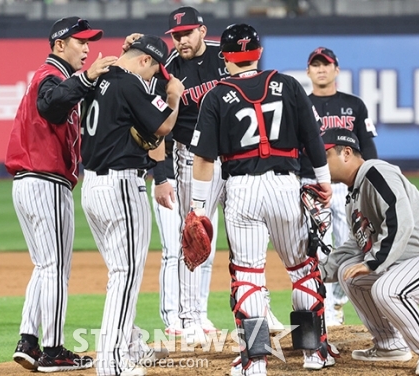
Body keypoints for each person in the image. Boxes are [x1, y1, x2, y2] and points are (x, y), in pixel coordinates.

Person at [124, 5, 284, 340]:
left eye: (187, 33)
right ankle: (191, 318)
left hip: (237, 157)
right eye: (176, 35)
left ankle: (258, 307)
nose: (181, 40)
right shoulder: (166, 71)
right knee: (195, 238)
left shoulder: (226, 56)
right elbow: (156, 129)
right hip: (192, 159)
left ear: (201, 30)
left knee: (248, 236)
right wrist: (162, 173)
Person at [190, 23, 339, 374]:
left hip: (242, 190)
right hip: (286, 186)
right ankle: (313, 353)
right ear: (258, 52)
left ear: (224, 56)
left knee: (248, 275)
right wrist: (324, 182)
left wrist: (198, 209)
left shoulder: (215, 95)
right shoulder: (287, 85)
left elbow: (203, 160)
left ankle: (254, 360)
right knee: (303, 269)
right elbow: (313, 140)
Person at [5, 17, 117, 373]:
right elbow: (52, 104)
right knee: (55, 269)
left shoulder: (54, 77)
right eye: (80, 42)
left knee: (44, 266)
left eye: (88, 42)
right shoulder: (50, 76)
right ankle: (54, 350)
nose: (86, 49)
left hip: (30, 182)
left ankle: (29, 340)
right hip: (45, 181)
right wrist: (87, 79)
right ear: (58, 45)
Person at [318, 128, 419, 376]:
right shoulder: (353, 195)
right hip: (408, 262)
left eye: (325, 157)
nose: (319, 164)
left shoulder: (377, 172)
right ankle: (390, 345)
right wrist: (319, 272)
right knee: (349, 274)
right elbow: (357, 244)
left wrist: (374, 262)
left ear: (346, 153)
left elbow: (400, 219)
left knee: (387, 289)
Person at [80, 35, 184, 376]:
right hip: (120, 185)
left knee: (118, 272)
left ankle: (130, 342)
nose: (152, 75)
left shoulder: (98, 78)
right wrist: (173, 97)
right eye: (153, 68)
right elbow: (164, 124)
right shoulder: (130, 84)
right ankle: (111, 362)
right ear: (143, 62)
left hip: (92, 185)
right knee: (126, 275)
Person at [302, 46, 378, 326]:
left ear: (336, 69)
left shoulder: (354, 104)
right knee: (320, 246)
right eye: (316, 65)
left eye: (326, 64)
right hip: (313, 185)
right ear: (308, 71)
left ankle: (339, 302)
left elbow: (367, 146)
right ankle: (324, 305)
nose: (321, 69)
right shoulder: (301, 103)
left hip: (348, 186)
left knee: (351, 244)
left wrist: (370, 181)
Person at [150, 134, 220, 334]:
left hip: (202, 182)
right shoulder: (171, 104)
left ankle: (200, 313)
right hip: (170, 182)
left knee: (206, 251)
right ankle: (172, 316)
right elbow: (158, 135)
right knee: (173, 251)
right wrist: (159, 178)